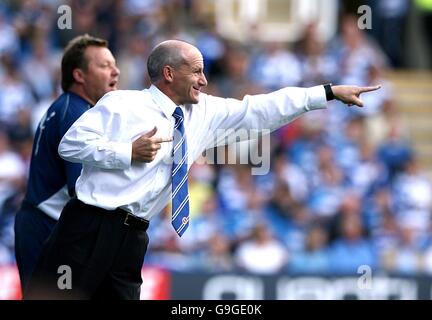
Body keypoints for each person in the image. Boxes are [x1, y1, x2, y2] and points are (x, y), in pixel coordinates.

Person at [25, 39, 381, 300]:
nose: (204, 79)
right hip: (86, 227)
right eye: (196, 70)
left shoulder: (206, 112)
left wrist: (328, 92)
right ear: (168, 73)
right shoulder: (121, 103)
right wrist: (125, 151)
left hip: (132, 239)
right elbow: (69, 144)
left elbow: (263, 108)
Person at [13, 34, 159, 293]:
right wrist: (130, 154)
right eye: (104, 65)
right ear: (79, 75)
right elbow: (81, 189)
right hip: (48, 224)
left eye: (114, 64)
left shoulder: (69, 107)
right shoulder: (76, 113)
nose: (116, 70)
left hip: (43, 220)